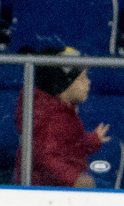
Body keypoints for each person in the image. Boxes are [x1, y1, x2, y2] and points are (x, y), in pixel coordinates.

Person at [27, 50, 111, 189]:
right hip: (48, 191)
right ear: (64, 85)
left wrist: (91, 140)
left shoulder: (64, 113)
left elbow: (67, 145)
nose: (88, 83)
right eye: (81, 79)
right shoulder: (54, 117)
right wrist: (75, 179)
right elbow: (47, 157)